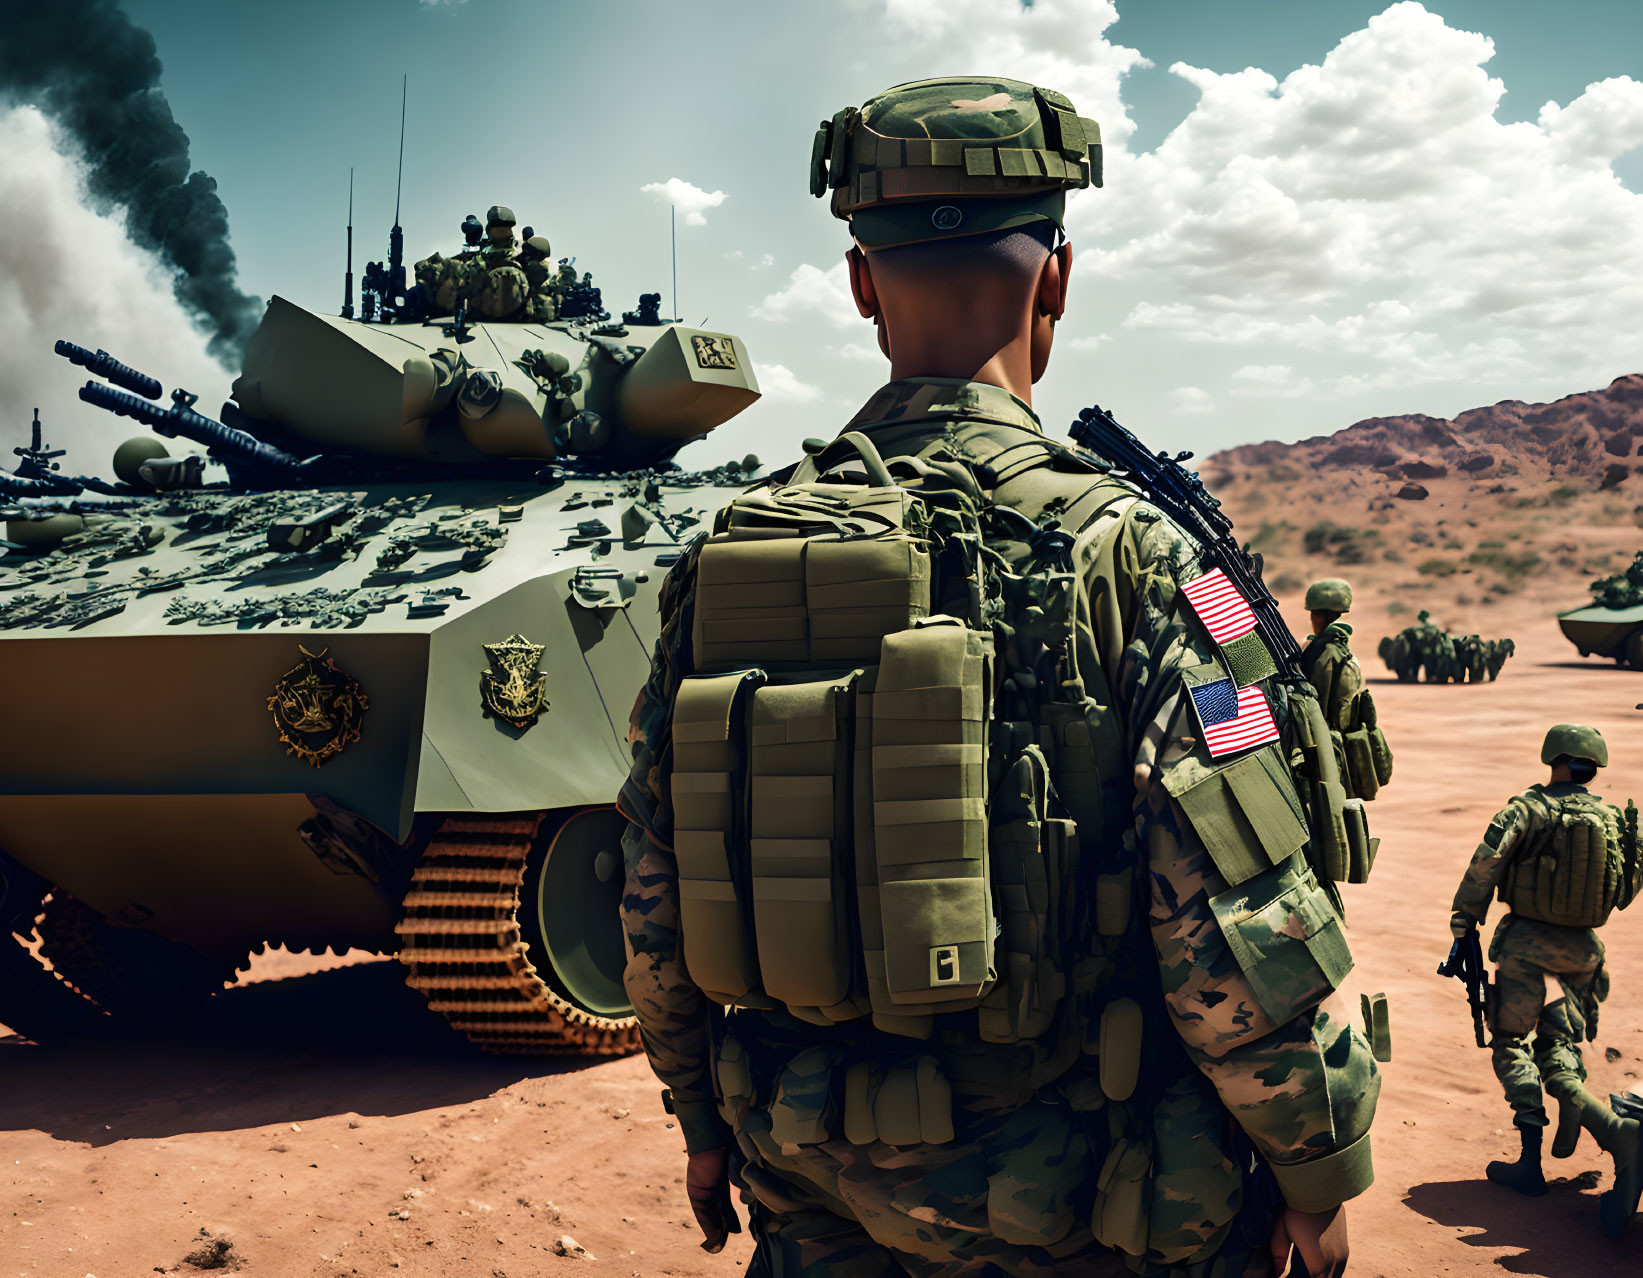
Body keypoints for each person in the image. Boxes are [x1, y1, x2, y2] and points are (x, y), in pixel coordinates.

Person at [619, 76, 1380, 1277]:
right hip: (1085, 1199)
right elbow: (1228, 918)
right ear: (1058, 281)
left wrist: (700, 1126)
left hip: (807, 1173)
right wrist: (1313, 1164)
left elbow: (654, 892)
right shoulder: (1140, 557)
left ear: (861, 285)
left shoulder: (727, 559)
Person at [1450, 723, 1641, 1234]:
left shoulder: (1527, 809)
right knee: (1558, 1043)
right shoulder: (1607, 817)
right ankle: (1588, 1112)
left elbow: (1486, 864)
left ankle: (1530, 1163)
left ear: (1551, 757)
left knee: (1511, 1041)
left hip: (1527, 946)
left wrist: (1464, 919)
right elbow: (1622, 890)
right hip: (1583, 951)